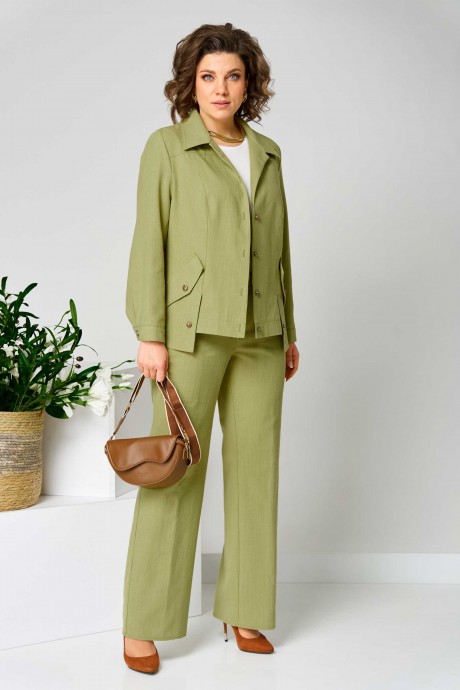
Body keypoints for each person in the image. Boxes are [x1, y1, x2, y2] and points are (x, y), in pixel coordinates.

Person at [122, 22, 300, 674]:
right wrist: (150, 333)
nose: (220, 88)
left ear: (249, 84)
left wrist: (289, 329)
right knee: (173, 473)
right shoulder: (168, 147)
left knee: (256, 473)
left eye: (233, 76)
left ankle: (244, 609)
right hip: (190, 334)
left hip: (261, 335)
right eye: (208, 76)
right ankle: (144, 622)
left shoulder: (268, 152)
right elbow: (150, 240)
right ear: (190, 84)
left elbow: (279, 248)